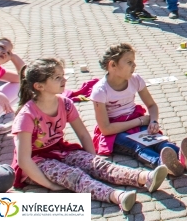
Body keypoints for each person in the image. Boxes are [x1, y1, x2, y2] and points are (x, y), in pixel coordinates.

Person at [12, 58, 169, 212]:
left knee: (100, 166)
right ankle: (117, 196)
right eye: (57, 77)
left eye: (63, 75)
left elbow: (83, 135)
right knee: (75, 176)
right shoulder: (27, 115)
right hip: (35, 163)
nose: (64, 79)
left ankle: (144, 177)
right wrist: (50, 185)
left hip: (59, 151)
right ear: (39, 86)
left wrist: (92, 163)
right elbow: (24, 159)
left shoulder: (65, 103)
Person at [91, 43, 187, 177]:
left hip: (135, 121)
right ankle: (164, 165)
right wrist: (140, 121)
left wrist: (153, 121)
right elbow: (105, 129)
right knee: (139, 146)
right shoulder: (100, 91)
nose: (134, 66)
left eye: (134, 62)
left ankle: (184, 158)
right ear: (112, 65)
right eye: (129, 62)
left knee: (159, 141)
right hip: (114, 132)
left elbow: (152, 105)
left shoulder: (135, 79)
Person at [0, 37, 23, 135]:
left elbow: (23, 78)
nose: (5, 53)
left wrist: (14, 57)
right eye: (1, 47)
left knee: (21, 86)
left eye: (8, 53)